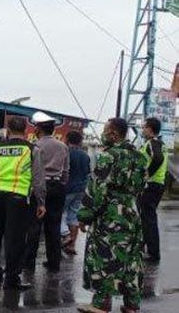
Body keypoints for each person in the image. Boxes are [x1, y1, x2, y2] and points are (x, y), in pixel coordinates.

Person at [77, 117, 147, 313]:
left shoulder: (109, 156)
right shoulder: (140, 157)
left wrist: (85, 216)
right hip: (132, 213)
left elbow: (98, 190)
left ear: (114, 134)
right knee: (132, 260)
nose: (104, 134)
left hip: (110, 215)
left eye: (106, 130)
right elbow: (141, 186)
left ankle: (101, 303)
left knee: (104, 257)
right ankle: (132, 304)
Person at [0, 116, 45, 291]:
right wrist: (41, 202)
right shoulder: (32, 149)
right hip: (18, 197)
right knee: (15, 239)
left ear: (8, 130)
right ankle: (11, 279)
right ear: (25, 131)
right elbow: (38, 179)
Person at [23, 112, 69, 274]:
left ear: (39, 129)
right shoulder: (63, 146)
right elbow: (66, 172)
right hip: (57, 187)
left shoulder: (34, 147)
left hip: (39, 187)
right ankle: (53, 262)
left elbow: (30, 171)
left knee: (34, 226)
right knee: (54, 226)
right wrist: (60, 184)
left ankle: (29, 263)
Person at [138, 117, 168, 262]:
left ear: (150, 129)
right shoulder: (161, 143)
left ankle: (153, 253)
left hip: (151, 185)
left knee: (148, 219)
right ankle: (144, 247)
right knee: (146, 217)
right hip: (158, 184)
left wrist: (147, 174)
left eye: (144, 127)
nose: (142, 130)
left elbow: (157, 158)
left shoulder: (152, 143)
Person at [60, 130, 90, 256]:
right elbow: (88, 172)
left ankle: (65, 235)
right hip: (80, 190)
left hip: (67, 189)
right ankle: (72, 246)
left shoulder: (66, 153)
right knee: (73, 216)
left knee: (60, 214)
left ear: (67, 139)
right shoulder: (85, 155)